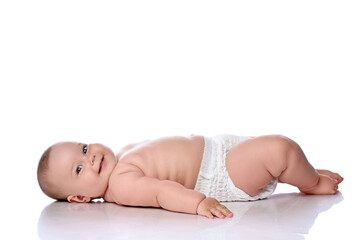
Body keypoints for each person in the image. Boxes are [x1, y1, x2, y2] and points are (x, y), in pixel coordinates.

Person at [37, 134, 343, 219]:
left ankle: (306, 173)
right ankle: (313, 183)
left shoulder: (122, 156)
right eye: (79, 169)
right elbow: (160, 192)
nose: (89, 158)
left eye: (84, 148)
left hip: (222, 149)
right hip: (222, 174)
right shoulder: (121, 183)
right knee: (280, 148)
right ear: (79, 198)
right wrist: (198, 203)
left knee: (275, 152)